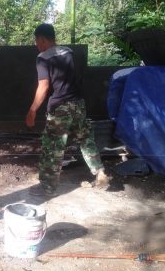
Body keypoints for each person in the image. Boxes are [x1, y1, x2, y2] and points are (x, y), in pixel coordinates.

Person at [25, 23, 108, 196]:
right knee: (86, 139)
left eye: (36, 41)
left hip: (60, 107)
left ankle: (47, 188)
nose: (36, 44)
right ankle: (100, 172)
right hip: (78, 103)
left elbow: (44, 85)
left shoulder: (43, 57)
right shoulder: (69, 52)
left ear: (41, 39)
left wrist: (32, 110)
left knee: (53, 147)